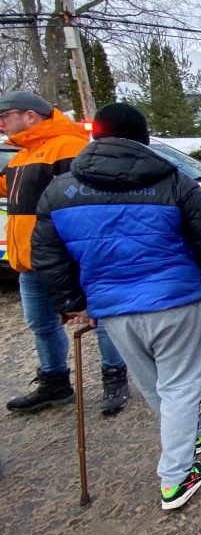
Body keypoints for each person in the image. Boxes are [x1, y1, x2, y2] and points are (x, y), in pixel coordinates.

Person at [31, 103, 201, 511]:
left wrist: (72, 303)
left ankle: (192, 431)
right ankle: (176, 476)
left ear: (97, 136)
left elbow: (47, 254)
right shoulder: (174, 181)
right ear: (143, 138)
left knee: (153, 384)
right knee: (180, 385)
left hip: (113, 308)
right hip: (178, 300)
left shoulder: (61, 190)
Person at [0, 91, 129, 416]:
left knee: (99, 317)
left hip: (67, 256)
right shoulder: (22, 155)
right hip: (30, 261)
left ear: (31, 116)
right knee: (41, 323)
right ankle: (54, 381)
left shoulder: (67, 146)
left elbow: (85, 203)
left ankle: (114, 376)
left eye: (6, 115)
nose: (1, 123)